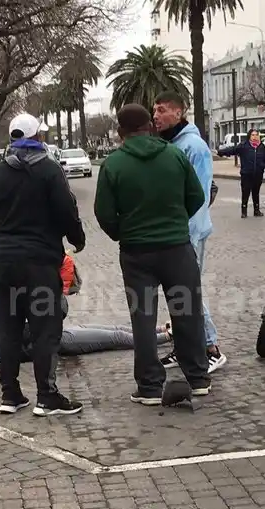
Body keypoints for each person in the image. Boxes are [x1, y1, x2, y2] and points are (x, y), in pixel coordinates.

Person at [94, 103, 210, 405]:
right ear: (150, 126)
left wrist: (124, 233)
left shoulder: (113, 164)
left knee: (143, 320)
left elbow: (103, 213)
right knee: (188, 313)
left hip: (136, 254)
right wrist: (176, 221)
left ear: (120, 133)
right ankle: (197, 378)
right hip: (177, 249)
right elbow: (197, 196)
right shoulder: (174, 155)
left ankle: (149, 387)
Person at [0, 113, 86, 416]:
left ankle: (10, 395)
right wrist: (77, 238)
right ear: (38, 137)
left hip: (4, 264)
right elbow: (67, 210)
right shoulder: (49, 171)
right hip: (39, 263)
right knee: (45, 329)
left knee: (8, 328)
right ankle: (46, 396)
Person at [153, 91, 226, 374]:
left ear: (179, 113)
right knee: (178, 292)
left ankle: (210, 348)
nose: (156, 116)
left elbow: (199, 196)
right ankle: (184, 347)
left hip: (188, 234)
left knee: (188, 291)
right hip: (174, 233)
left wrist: (187, 236)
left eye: (161, 110)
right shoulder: (170, 144)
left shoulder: (193, 147)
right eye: (154, 110)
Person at [22, 324, 171, 360]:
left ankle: (161, 329)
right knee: (117, 336)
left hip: (54, 330)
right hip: (58, 339)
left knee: (115, 328)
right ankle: (168, 336)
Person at [217, 128, 265, 218]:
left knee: (256, 192)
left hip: (258, 174)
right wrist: (221, 152)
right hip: (246, 174)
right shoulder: (244, 146)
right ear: (249, 136)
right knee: (245, 192)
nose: (255, 137)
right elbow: (233, 150)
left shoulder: (262, 147)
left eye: (256, 135)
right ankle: (244, 211)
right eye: (253, 135)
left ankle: (256, 210)